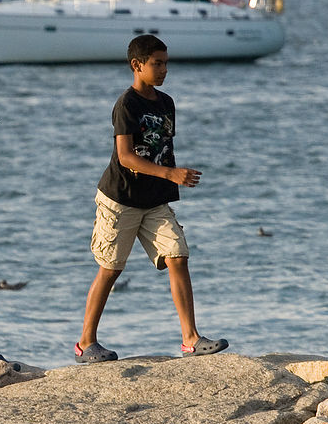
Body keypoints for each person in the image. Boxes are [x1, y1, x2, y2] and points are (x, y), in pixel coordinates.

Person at [75, 34, 227, 362]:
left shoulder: (166, 102)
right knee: (110, 269)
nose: (163, 70)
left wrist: (169, 178)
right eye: (156, 64)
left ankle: (190, 339)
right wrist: (172, 175)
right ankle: (86, 343)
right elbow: (126, 157)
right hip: (120, 199)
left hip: (155, 201)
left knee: (178, 256)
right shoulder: (126, 104)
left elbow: (161, 149)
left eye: (166, 63)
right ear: (137, 65)